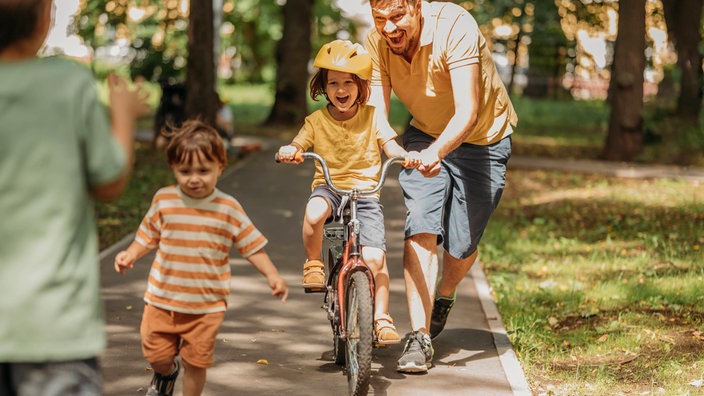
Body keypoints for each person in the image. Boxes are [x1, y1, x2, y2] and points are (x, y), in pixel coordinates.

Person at [0, 0, 149, 394]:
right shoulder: (66, 84)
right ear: (45, 18)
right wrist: (124, 114)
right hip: (53, 324)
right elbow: (109, 181)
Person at [364, 0, 518, 373]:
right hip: (424, 134)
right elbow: (377, 113)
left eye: (397, 16)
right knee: (421, 223)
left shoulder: (455, 26)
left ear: (417, 6)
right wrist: (393, 148)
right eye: (380, 18)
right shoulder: (377, 43)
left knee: (462, 245)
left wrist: (439, 152)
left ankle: (444, 295)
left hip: (483, 140)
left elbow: (468, 110)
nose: (388, 29)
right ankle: (419, 337)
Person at [114, 120, 288, 396]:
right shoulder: (165, 200)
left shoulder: (228, 208)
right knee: (156, 354)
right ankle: (167, 373)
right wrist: (130, 254)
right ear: (173, 168)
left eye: (204, 171)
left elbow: (251, 246)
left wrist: (272, 275)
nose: (194, 178)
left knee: (196, 363)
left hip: (206, 306)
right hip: (162, 299)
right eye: (185, 171)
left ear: (221, 166)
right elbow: (147, 236)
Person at [277, 39, 419, 346]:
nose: (341, 90)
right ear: (323, 87)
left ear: (361, 86)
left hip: (366, 194)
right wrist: (292, 149)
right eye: (333, 83)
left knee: (376, 259)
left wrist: (404, 155)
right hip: (329, 188)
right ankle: (314, 263)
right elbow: (300, 143)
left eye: (348, 83)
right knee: (314, 214)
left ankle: (381, 317)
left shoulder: (373, 116)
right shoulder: (315, 121)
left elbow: (390, 145)